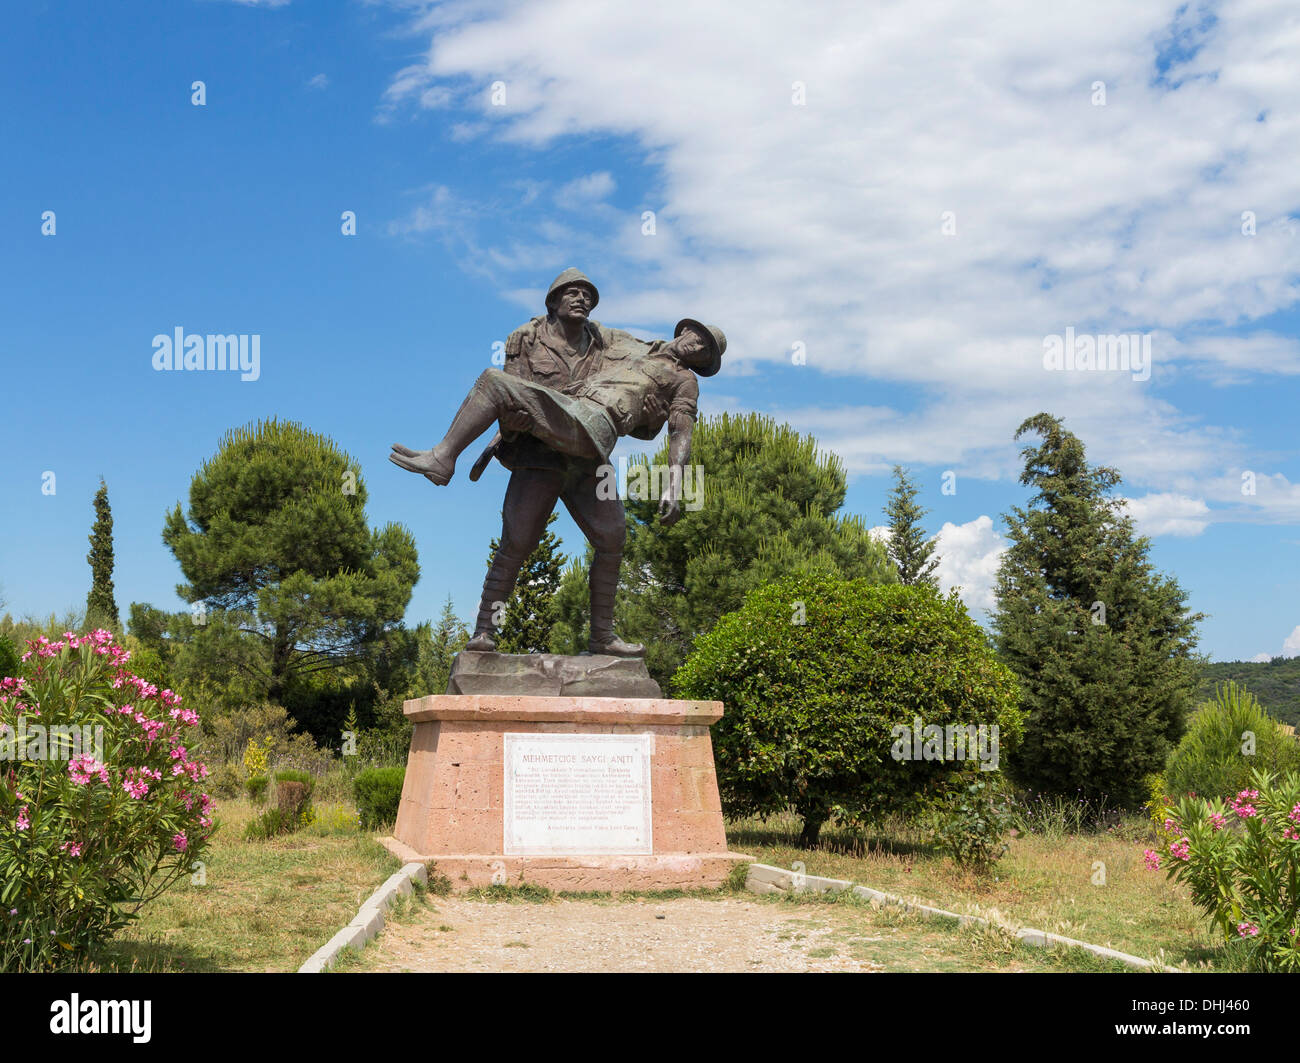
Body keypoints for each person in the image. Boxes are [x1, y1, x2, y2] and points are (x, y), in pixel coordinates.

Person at [391, 297, 726, 658]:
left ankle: (602, 637)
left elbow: (680, 431)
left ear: (702, 362)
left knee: (612, 538)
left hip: (590, 432)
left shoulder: (685, 381)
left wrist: (674, 483)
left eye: (705, 349)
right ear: (684, 329)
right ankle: (485, 633)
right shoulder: (624, 342)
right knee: (516, 542)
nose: (697, 344)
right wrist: (535, 326)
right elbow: (572, 325)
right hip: (554, 439)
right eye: (698, 335)